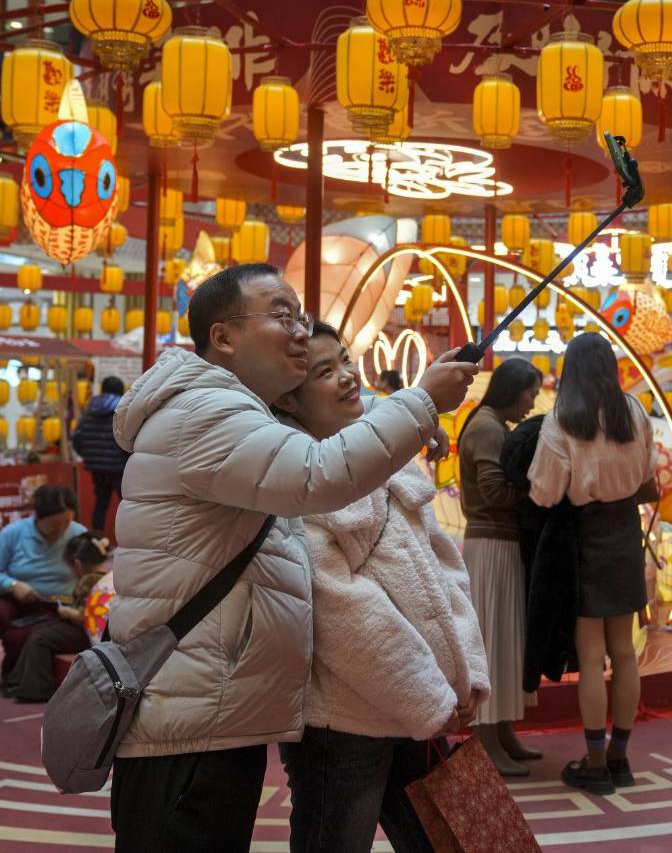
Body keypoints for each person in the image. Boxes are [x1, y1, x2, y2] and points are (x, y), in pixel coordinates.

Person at [105, 263, 478, 852]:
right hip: (196, 717)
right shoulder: (205, 413)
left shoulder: (240, 417)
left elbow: (436, 564)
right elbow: (318, 475)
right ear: (223, 337)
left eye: (300, 316)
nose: (300, 331)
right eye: (282, 315)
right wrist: (421, 403)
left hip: (218, 708)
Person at [272, 321, 491, 852]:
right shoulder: (292, 480)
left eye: (345, 360)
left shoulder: (389, 459)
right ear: (291, 402)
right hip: (342, 722)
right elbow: (342, 614)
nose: (347, 377)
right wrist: (434, 696)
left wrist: (464, 674)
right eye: (325, 372)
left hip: (417, 707)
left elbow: (445, 570)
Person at [528, 334, 657, 796]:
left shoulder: (562, 419)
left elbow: (543, 492)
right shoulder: (634, 411)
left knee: (589, 656)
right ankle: (621, 759)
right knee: (625, 652)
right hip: (624, 533)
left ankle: (595, 762)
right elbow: (648, 475)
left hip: (582, 537)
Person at [457, 357, 544, 776]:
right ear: (514, 389)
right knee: (492, 644)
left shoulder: (490, 423)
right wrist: (536, 493)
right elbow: (493, 491)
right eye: (530, 392)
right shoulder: (489, 427)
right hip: (491, 545)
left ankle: (502, 732)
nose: (532, 402)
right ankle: (488, 741)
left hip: (497, 545)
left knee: (500, 641)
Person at [5, 530, 110, 702]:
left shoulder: (88, 581)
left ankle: (36, 688)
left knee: (41, 636)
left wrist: (66, 612)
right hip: (102, 631)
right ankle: (20, 680)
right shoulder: (110, 576)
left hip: (90, 632)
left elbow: (85, 615)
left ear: (76, 564)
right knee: (42, 631)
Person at [0, 485, 87, 690]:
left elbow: (93, 574)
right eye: (55, 524)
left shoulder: (78, 534)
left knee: (21, 635)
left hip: (57, 605)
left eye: (67, 522)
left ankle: (15, 678)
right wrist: (12, 584)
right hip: (17, 598)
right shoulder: (13, 533)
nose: (62, 529)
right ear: (38, 516)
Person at [72, 376, 130, 530]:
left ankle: (97, 540)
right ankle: (126, 542)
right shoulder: (124, 409)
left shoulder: (90, 409)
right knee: (126, 504)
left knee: (101, 504)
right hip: (119, 467)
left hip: (97, 469)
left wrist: (89, 456)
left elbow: (77, 437)